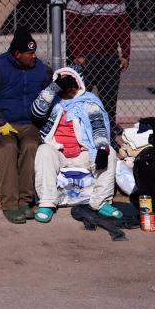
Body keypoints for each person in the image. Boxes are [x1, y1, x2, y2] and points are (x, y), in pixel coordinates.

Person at [0, 27, 50, 224]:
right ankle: (10, 203)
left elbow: (50, 92)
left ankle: (25, 200)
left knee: (31, 146)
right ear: (17, 54)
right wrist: (0, 123)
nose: (34, 57)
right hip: (3, 124)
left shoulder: (40, 68)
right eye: (30, 53)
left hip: (29, 124)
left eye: (35, 52)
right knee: (8, 147)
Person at [30, 67, 121, 223]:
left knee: (109, 153)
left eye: (71, 84)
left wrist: (102, 148)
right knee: (44, 151)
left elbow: (99, 128)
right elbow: (36, 111)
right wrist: (54, 87)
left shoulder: (89, 102)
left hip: (84, 152)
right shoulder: (53, 101)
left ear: (79, 84)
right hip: (59, 151)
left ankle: (101, 202)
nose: (68, 89)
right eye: (64, 84)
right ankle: (47, 202)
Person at [65, 0, 130, 131]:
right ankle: (78, 133)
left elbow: (123, 27)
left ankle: (107, 135)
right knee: (79, 98)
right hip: (86, 58)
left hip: (109, 58)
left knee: (109, 100)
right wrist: (77, 53)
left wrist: (125, 54)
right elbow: (71, 27)